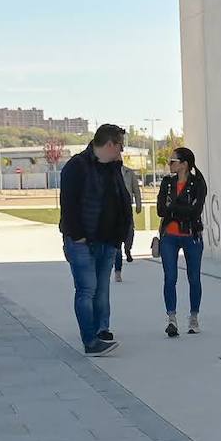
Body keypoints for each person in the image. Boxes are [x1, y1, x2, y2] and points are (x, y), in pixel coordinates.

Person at [58, 123, 132, 356]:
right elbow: (68, 206)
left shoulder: (113, 168)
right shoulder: (76, 167)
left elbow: (122, 202)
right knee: (86, 290)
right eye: (120, 146)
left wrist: (121, 236)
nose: (121, 151)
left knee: (101, 290)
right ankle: (90, 341)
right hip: (82, 243)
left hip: (108, 241)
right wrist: (78, 237)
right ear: (109, 144)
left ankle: (101, 331)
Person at [156, 147, 208, 338]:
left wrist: (173, 208)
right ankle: (171, 319)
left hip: (191, 235)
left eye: (173, 161)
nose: (169, 164)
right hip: (169, 236)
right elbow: (161, 210)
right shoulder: (167, 183)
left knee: (194, 278)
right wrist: (180, 209)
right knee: (170, 278)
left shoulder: (197, 183)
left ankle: (194, 318)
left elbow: (196, 211)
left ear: (184, 164)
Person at [114, 164, 143, 282]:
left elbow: (136, 189)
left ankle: (128, 249)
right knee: (116, 242)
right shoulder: (108, 172)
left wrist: (139, 204)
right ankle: (118, 270)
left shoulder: (129, 173)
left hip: (127, 208)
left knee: (129, 232)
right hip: (114, 208)